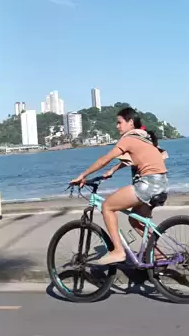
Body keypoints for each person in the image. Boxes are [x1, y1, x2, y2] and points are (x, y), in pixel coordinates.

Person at [69, 107, 168, 265]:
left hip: (148, 184)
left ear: (130, 122)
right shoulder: (143, 137)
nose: (117, 126)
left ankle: (118, 251)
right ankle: (158, 254)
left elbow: (104, 159)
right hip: (161, 184)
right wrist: (112, 170)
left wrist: (82, 175)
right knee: (135, 220)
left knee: (107, 206)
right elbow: (134, 159)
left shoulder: (128, 139)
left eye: (119, 122)